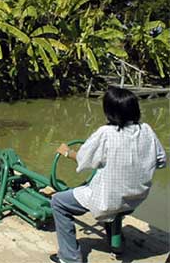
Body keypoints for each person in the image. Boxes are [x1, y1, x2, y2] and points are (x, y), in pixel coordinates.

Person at [50, 86, 167, 263]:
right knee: (109, 196)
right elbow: (161, 161)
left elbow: (84, 160)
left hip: (109, 200)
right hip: (136, 198)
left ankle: (69, 257)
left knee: (58, 202)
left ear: (109, 112)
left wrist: (67, 152)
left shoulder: (106, 133)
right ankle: (116, 245)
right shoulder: (147, 130)